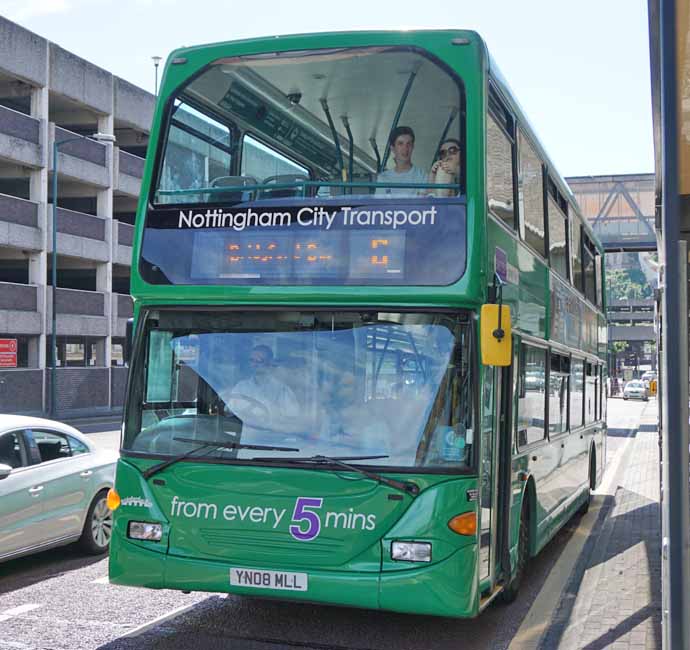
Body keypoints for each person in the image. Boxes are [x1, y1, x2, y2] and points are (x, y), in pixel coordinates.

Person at [226, 345, 299, 426]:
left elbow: (292, 418)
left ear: (269, 362)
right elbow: (229, 412)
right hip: (244, 433)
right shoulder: (241, 387)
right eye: (252, 360)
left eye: (259, 360)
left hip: (270, 435)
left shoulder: (281, 389)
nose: (254, 364)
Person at [375, 126, 428, 197]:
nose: (405, 148)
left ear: (413, 147)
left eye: (408, 144)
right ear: (393, 148)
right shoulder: (383, 178)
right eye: (400, 144)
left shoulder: (423, 176)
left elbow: (424, 204)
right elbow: (380, 206)